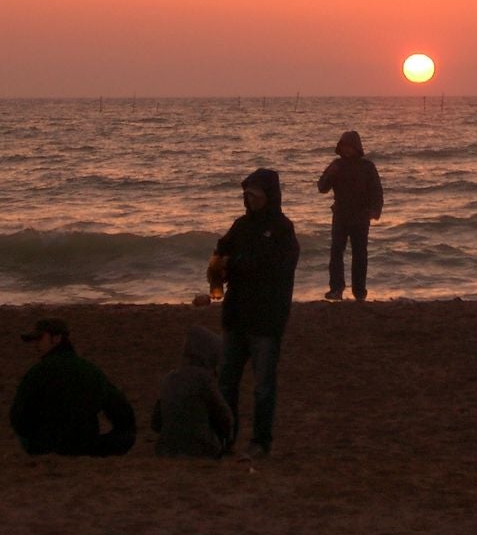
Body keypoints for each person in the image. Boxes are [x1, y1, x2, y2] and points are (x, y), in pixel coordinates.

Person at [213, 168, 300, 460]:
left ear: (269, 196)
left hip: (266, 318)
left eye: (256, 194)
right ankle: (226, 438)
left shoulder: (282, 229)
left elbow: (275, 268)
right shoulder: (241, 225)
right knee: (227, 382)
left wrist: (237, 264)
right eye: (247, 194)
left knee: (263, 387)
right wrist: (219, 262)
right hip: (236, 315)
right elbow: (223, 249)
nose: (251, 199)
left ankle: (261, 441)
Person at [9, 318, 136, 457]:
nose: (36, 345)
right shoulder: (90, 370)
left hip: (45, 445)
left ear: (56, 338)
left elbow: (18, 416)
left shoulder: (37, 373)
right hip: (85, 444)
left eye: (40, 339)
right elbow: (121, 411)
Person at [317, 130, 383, 302]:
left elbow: (376, 190)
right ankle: (336, 289)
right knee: (336, 252)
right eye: (344, 146)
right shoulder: (336, 165)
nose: (347, 150)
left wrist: (375, 210)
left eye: (349, 146)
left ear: (357, 147)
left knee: (360, 255)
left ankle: (359, 292)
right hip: (340, 215)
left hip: (361, 216)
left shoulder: (367, 167)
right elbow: (322, 188)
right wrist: (329, 174)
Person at [151, 325, 233, 458]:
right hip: (200, 449)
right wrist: (226, 439)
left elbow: (155, 423)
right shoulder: (204, 380)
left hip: (166, 449)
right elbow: (225, 417)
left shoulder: (170, 378)